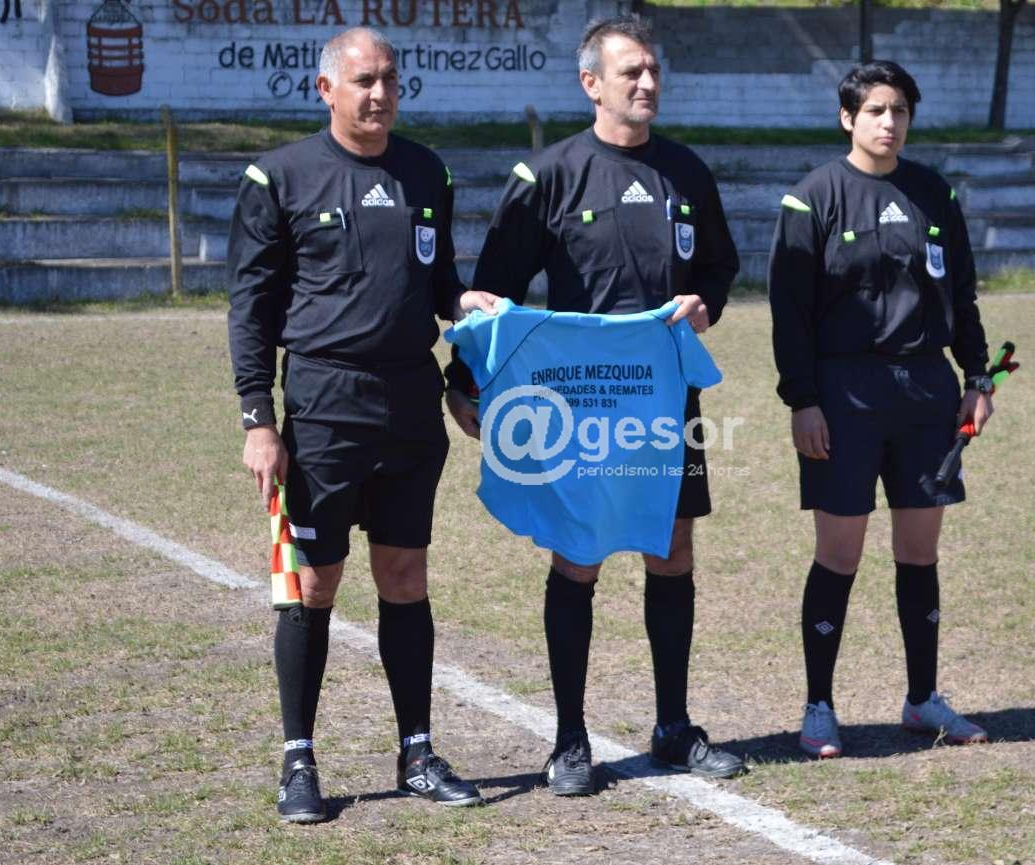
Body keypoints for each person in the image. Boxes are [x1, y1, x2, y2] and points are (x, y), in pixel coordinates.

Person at [443, 14, 745, 795]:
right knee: (577, 554)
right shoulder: (547, 176)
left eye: (653, 70)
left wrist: (706, 304)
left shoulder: (687, 172)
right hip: (579, 404)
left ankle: (673, 726)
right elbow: (493, 295)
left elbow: (719, 266)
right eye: (630, 71)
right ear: (591, 83)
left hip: (664, 401)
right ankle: (570, 741)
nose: (646, 82)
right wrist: (462, 380)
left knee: (672, 548)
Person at [227, 27, 499, 822]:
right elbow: (251, 307)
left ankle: (417, 751)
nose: (379, 95)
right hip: (324, 403)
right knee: (314, 583)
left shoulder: (427, 171)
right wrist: (259, 419)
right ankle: (298, 760)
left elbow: (439, 285)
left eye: (389, 80)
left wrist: (466, 331)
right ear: (326, 90)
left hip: (412, 402)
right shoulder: (279, 177)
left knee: (405, 577)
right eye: (363, 81)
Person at [767, 60, 994, 760]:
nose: (889, 123)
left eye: (899, 111)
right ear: (848, 118)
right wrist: (803, 400)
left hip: (926, 391)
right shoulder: (813, 198)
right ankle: (819, 705)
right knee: (839, 553)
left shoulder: (934, 193)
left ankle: (922, 697)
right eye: (875, 110)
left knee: (919, 551)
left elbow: (961, 294)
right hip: (845, 394)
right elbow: (789, 313)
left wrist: (977, 376)